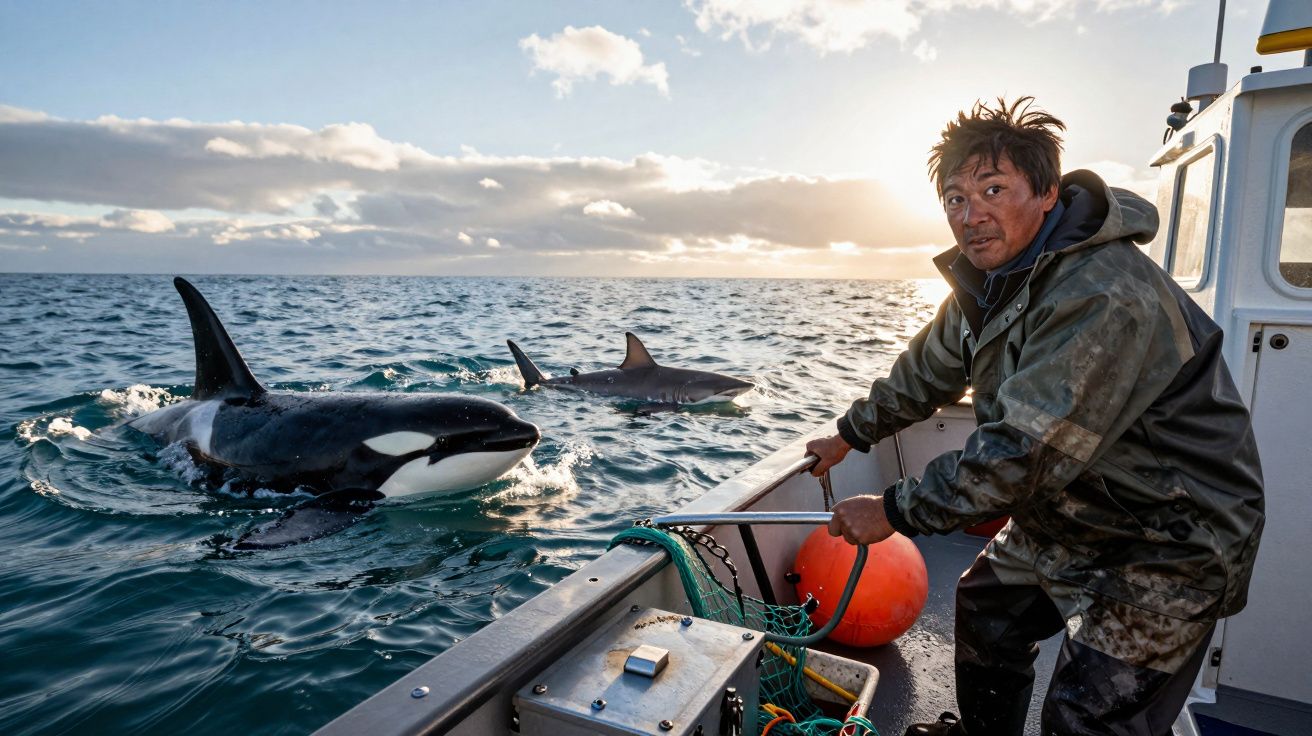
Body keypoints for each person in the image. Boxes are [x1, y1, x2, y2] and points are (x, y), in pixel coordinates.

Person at [805, 97, 1265, 736]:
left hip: (1169, 540)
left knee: (1084, 719)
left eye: (994, 189)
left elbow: (1021, 453)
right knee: (988, 608)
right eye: (956, 200)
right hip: (1073, 511)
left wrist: (892, 510)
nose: (972, 215)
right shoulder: (989, 283)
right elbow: (927, 370)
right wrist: (849, 434)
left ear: (1047, 193)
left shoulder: (1102, 293)